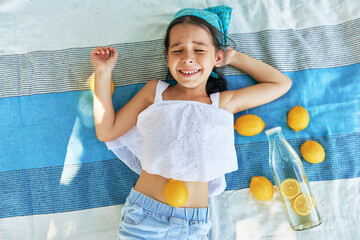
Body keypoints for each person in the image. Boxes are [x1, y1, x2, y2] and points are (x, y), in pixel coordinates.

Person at [91, 5, 291, 240]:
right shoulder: (155, 92)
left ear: (216, 57)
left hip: (193, 226)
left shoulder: (222, 104)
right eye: (177, 50)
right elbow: (107, 131)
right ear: (167, 58)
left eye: (199, 50)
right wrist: (103, 74)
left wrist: (233, 57)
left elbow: (281, 84)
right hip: (144, 218)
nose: (187, 58)